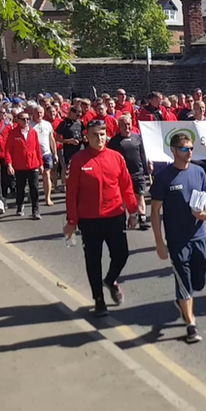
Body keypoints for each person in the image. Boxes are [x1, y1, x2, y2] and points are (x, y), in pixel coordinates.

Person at [63, 121, 139, 317]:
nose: (100, 138)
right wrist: (72, 221)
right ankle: (99, 299)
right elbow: (71, 193)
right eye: (95, 134)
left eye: (103, 134)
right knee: (93, 260)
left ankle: (110, 279)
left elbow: (126, 187)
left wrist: (133, 212)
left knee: (121, 254)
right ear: (86, 136)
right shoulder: (79, 160)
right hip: (90, 220)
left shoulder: (116, 158)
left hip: (114, 216)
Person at [150, 133, 206, 344]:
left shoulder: (198, 172)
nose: (189, 153)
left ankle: (183, 300)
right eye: (184, 149)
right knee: (184, 284)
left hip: (199, 237)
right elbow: (155, 212)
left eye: (191, 149)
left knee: (199, 281)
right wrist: (160, 242)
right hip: (177, 241)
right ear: (174, 151)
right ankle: (191, 325)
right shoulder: (164, 177)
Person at [108, 114, 152, 230]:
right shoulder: (114, 142)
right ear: (119, 126)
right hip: (121, 174)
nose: (127, 127)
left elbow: (143, 154)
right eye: (124, 125)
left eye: (129, 125)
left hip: (138, 172)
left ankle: (142, 218)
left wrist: (148, 165)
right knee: (122, 198)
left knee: (139, 195)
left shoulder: (137, 138)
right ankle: (121, 219)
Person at [4, 112, 43, 220]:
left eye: (27, 119)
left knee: (34, 188)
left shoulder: (33, 132)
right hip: (19, 166)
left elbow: (37, 149)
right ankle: (20, 205)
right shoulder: (13, 133)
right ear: (18, 120)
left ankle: (35, 210)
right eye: (23, 119)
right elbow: (8, 150)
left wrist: (41, 164)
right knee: (20, 188)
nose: (26, 121)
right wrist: (9, 165)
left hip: (33, 165)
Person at [30, 105, 57, 206]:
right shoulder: (29, 125)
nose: (39, 115)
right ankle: (33, 196)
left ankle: (47, 198)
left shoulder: (47, 124)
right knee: (34, 177)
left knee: (47, 175)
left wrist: (54, 153)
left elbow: (51, 139)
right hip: (33, 155)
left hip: (46, 153)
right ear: (33, 113)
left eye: (41, 112)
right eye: (37, 112)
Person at [55, 106, 85, 174]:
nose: (79, 116)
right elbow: (57, 138)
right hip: (69, 151)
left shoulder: (80, 122)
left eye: (80, 115)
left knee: (81, 169)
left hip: (80, 149)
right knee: (71, 170)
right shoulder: (64, 123)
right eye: (77, 115)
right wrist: (69, 141)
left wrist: (85, 138)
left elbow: (84, 133)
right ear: (71, 113)